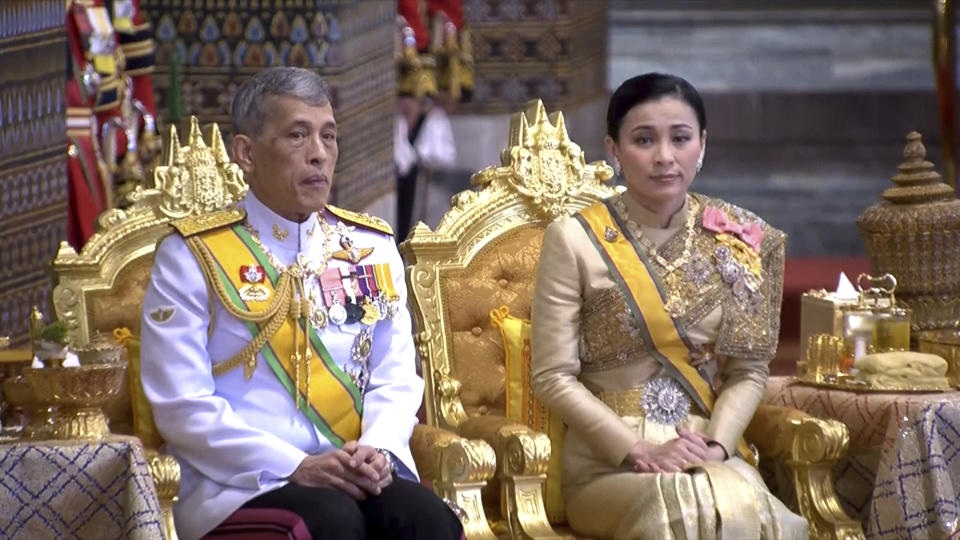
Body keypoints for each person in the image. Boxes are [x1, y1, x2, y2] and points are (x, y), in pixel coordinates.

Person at [140, 67, 463, 540]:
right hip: (241, 483)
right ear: (246, 153)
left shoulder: (369, 247)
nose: (319, 154)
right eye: (298, 135)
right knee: (330, 522)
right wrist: (296, 465)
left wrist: (376, 450)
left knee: (429, 522)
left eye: (328, 137)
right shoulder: (192, 256)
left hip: (355, 467)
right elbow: (183, 406)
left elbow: (395, 376)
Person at [530, 73, 808, 539]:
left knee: (753, 510)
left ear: (702, 144)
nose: (664, 156)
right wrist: (637, 449)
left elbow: (748, 370)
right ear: (614, 150)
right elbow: (552, 377)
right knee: (682, 506)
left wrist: (718, 448)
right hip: (608, 466)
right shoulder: (574, 239)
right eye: (643, 140)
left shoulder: (737, 236)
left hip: (707, 452)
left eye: (680, 138)